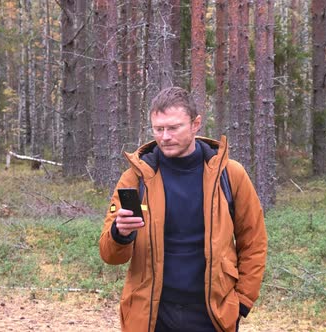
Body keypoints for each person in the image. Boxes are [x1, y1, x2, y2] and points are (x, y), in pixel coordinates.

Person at [99, 87, 267, 332]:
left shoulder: (230, 175)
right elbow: (110, 255)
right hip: (152, 315)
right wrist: (120, 234)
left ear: (195, 124)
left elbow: (254, 241)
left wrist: (242, 302)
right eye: (158, 129)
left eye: (173, 128)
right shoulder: (135, 179)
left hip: (212, 315)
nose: (164, 136)